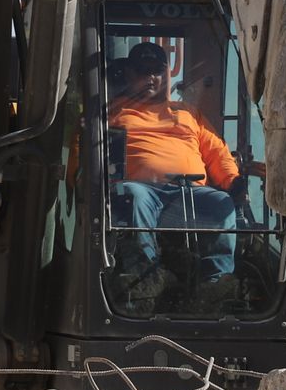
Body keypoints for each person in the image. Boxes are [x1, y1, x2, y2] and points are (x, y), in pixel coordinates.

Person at [107, 41, 252, 285]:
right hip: (142, 190)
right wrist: (79, 177)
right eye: (143, 71)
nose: (150, 78)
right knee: (134, 196)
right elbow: (85, 147)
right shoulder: (112, 113)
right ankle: (146, 277)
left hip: (189, 192)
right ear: (130, 74)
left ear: (166, 74)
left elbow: (216, 150)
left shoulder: (188, 113)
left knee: (222, 203)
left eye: (156, 71)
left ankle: (216, 283)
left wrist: (233, 181)